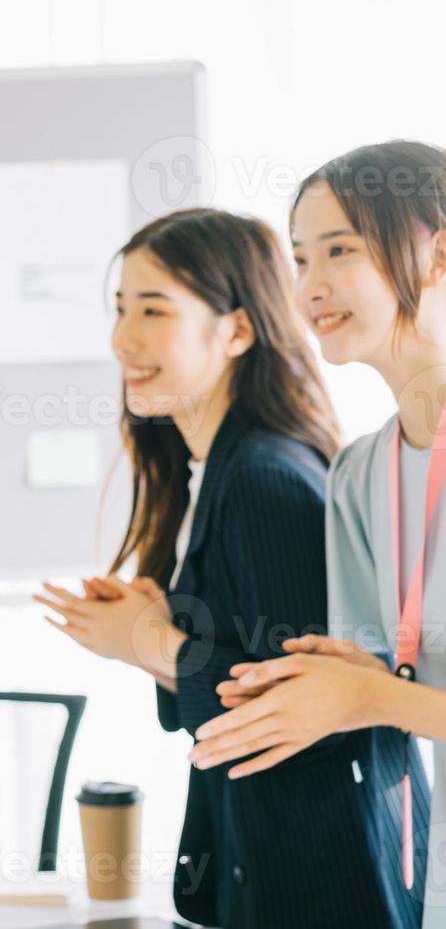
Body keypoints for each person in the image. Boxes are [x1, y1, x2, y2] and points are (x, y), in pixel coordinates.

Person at [35, 207, 422, 927]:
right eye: (120, 308)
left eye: (154, 310)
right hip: (277, 863)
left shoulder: (262, 477)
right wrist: (161, 627)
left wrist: (149, 643)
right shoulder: (211, 470)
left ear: (238, 330)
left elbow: (320, 716)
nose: (125, 338)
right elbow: (250, 664)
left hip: (325, 876)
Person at [191, 141, 446, 926]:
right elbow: (388, 682)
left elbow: (384, 695)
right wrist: (304, 686)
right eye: (300, 258)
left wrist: (365, 693)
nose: (311, 287)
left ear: (438, 254)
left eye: (340, 250)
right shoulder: (360, 472)